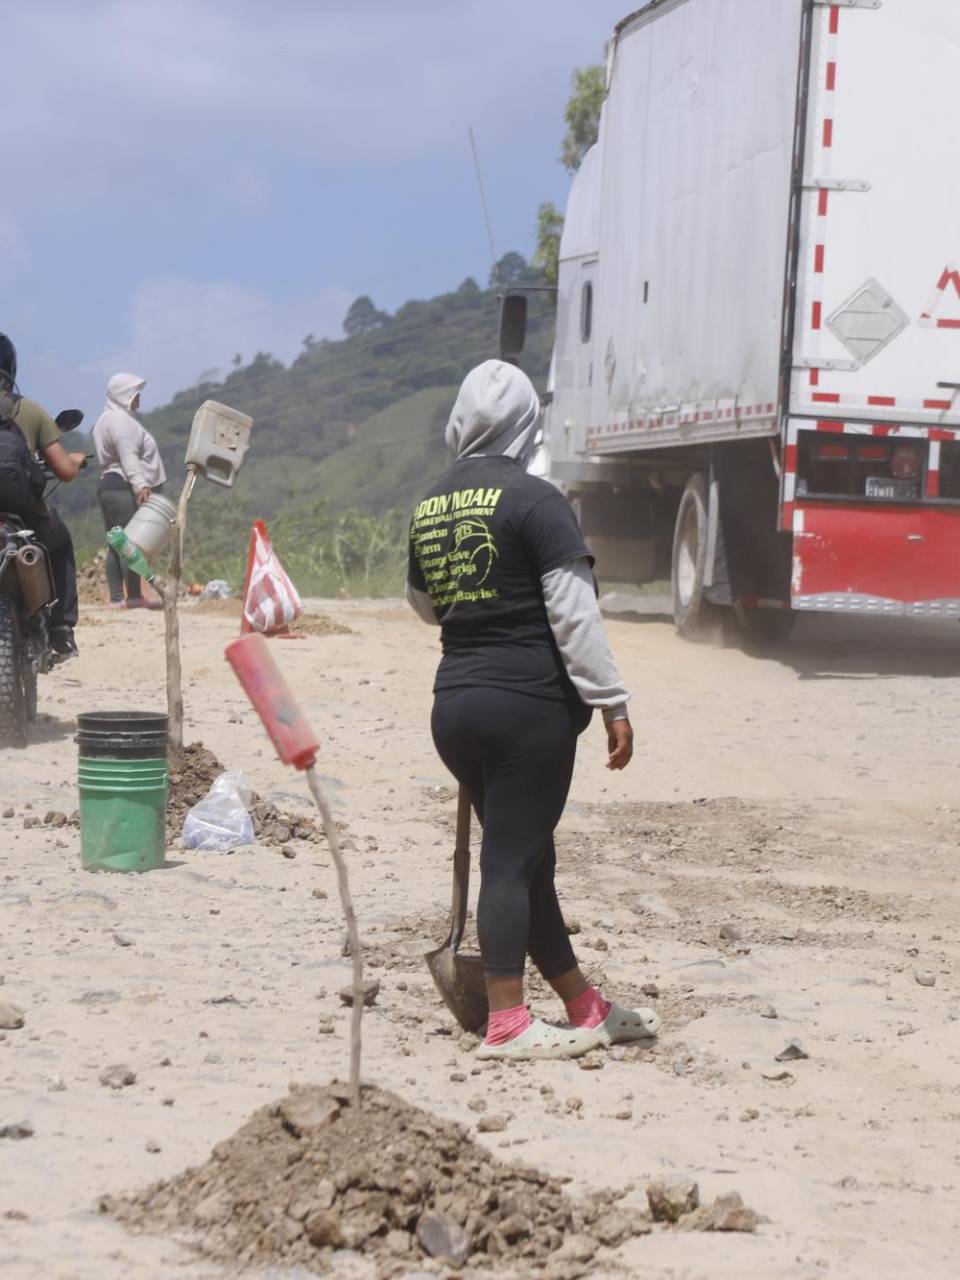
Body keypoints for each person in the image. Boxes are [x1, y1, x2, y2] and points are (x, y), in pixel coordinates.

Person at [407, 359, 660, 1061]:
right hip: (528, 712)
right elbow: (575, 617)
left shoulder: (431, 503)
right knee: (512, 863)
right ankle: (509, 1022)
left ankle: (584, 1007)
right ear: (527, 421)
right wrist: (612, 701)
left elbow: (425, 603)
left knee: (527, 859)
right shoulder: (537, 500)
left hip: (455, 707)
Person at [0, 334, 85, 657]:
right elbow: (63, 471)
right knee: (60, 542)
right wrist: (75, 461)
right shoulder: (31, 411)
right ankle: (61, 628)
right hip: (25, 515)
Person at [92, 373, 166, 609]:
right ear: (124, 396)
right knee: (130, 543)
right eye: (135, 394)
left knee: (116, 543)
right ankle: (133, 596)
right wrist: (141, 484)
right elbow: (128, 455)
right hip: (122, 486)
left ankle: (116, 598)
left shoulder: (105, 419)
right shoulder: (121, 422)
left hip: (108, 486)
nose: (139, 399)